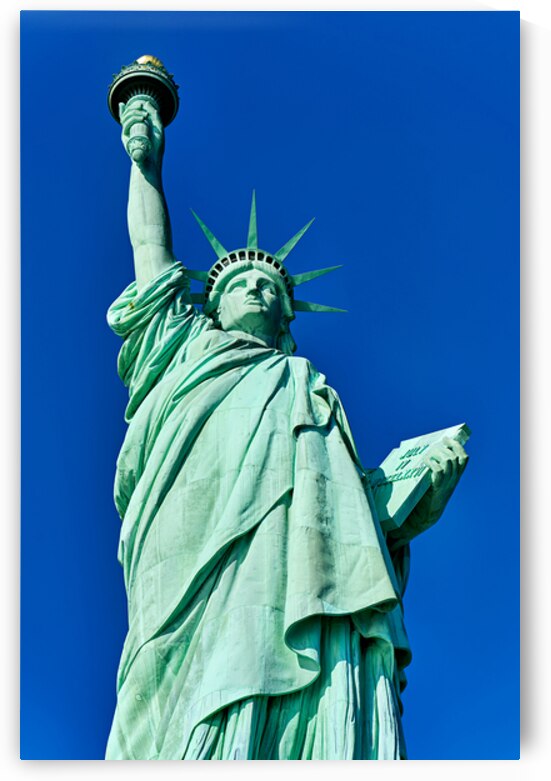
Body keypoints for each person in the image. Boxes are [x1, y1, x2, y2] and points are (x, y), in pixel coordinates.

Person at [105, 99, 468, 760]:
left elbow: (351, 521)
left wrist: (415, 493)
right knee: (167, 709)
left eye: (271, 287)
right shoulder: (181, 350)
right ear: (211, 305)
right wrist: (146, 167)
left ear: (287, 320)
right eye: (241, 282)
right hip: (186, 557)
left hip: (296, 576)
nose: (259, 290)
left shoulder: (309, 388)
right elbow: (149, 252)